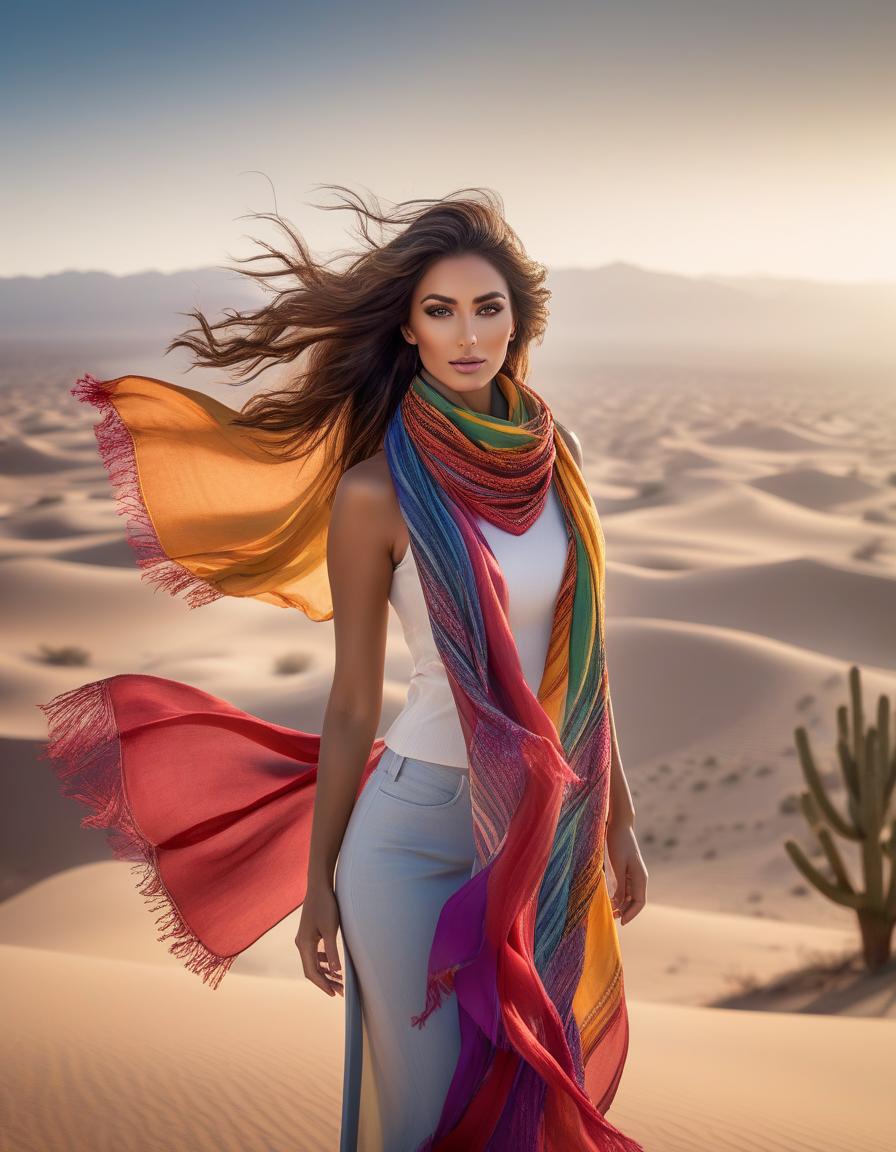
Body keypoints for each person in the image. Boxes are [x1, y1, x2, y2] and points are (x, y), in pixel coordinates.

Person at [37, 186, 648, 1152]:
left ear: (520, 323)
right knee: (422, 1117)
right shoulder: (375, 494)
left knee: (520, 1108)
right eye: (440, 311)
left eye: (488, 308)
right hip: (407, 840)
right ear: (406, 328)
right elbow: (355, 696)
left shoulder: (555, 457)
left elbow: (588, 662)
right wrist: (320, 879)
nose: (467, 334)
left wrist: (617, 820)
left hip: (534, 833)